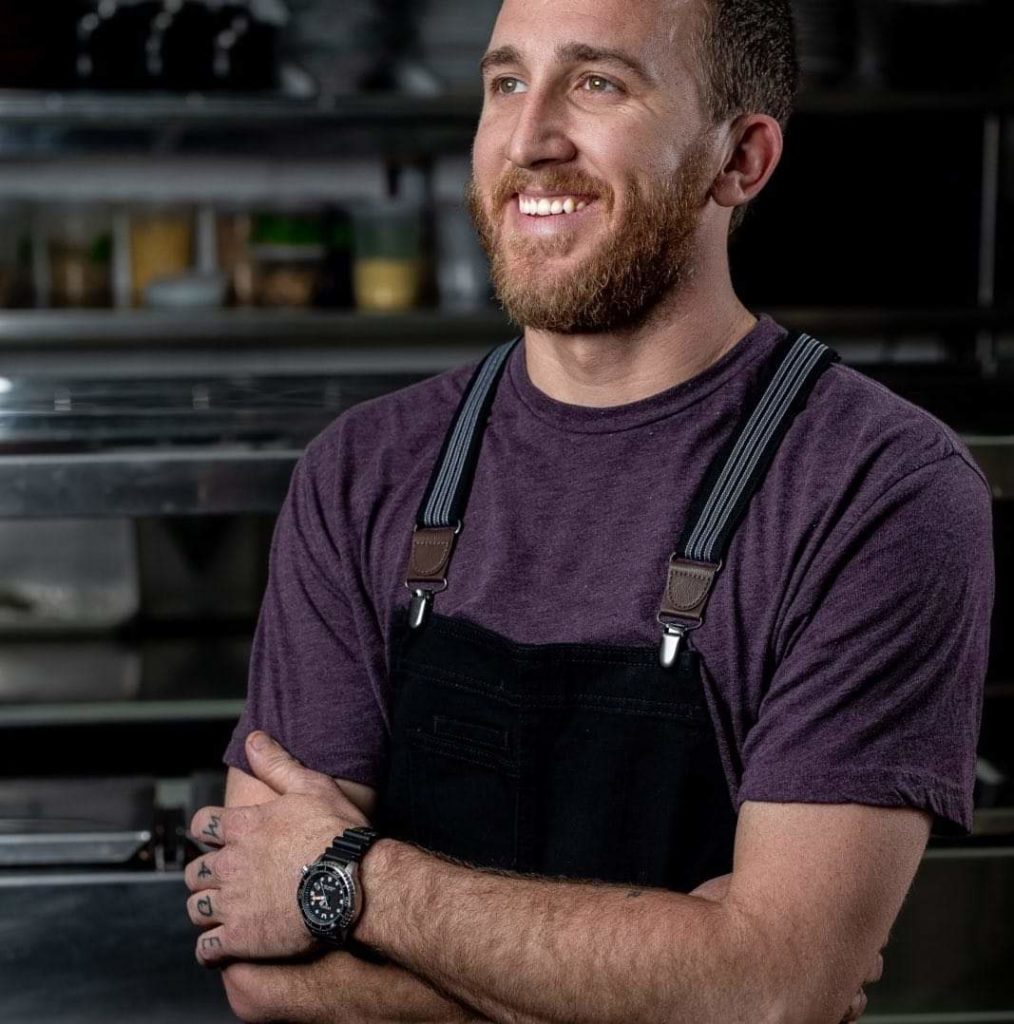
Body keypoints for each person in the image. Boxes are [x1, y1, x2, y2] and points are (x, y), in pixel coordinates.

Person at [185, 0, 994, 1021]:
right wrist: (677, 973)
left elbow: (771, 989)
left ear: (740, 161)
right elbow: (261, 963)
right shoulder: (362, 472)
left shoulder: (878, 489)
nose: (529, 139)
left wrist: (349, 879)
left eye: (599, 82)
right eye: (506, 83)